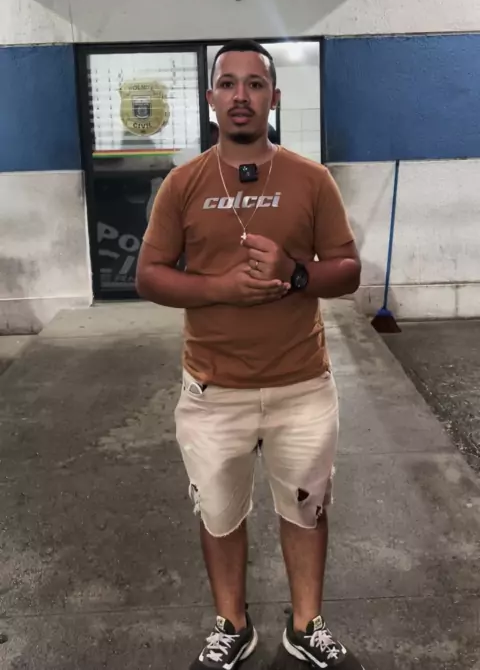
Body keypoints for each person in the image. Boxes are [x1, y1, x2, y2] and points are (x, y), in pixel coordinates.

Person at [136, 39, 363, 670]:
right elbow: (149, 276)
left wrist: (296, 272)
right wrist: (220, 289)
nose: (241, 95)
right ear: (210, 99)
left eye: (255, 84)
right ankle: (232, 625)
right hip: (214, 389)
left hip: (302, 385)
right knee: (219, 513)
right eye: (229, 84)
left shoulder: (311, 179)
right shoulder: (182, 183)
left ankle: (306, 625)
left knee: (307, 507)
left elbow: (347, 271)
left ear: (273, 97)